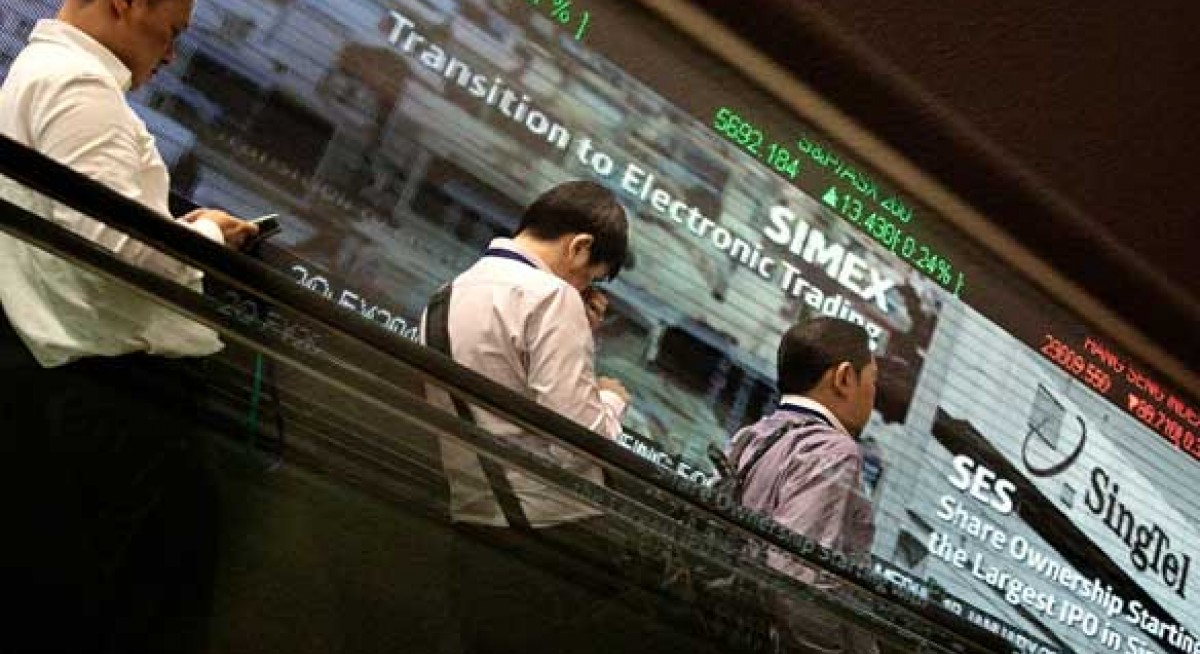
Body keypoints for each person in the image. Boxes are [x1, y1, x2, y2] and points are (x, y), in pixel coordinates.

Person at [0, 1, 258, 652]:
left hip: (98, 392)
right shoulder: (77, 86)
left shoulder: (50, 74)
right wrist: (207, 235)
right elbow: (119, 252)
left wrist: (179, 232)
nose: (170, 54)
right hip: (120, 396)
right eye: (171, 31)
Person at [423, 181, 721, 653]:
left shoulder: (445, 295)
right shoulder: (552, 297)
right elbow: (580, 440)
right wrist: (611, 398)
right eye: (591, 277)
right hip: (547, 538)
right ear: (579, 246)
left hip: (472, 525)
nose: (585, 289)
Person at [729, 316, 880, 653]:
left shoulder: (755, 434)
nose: (874, 397)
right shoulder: (834, 451)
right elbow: (795, 581)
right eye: (873, 381)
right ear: (844, 378)